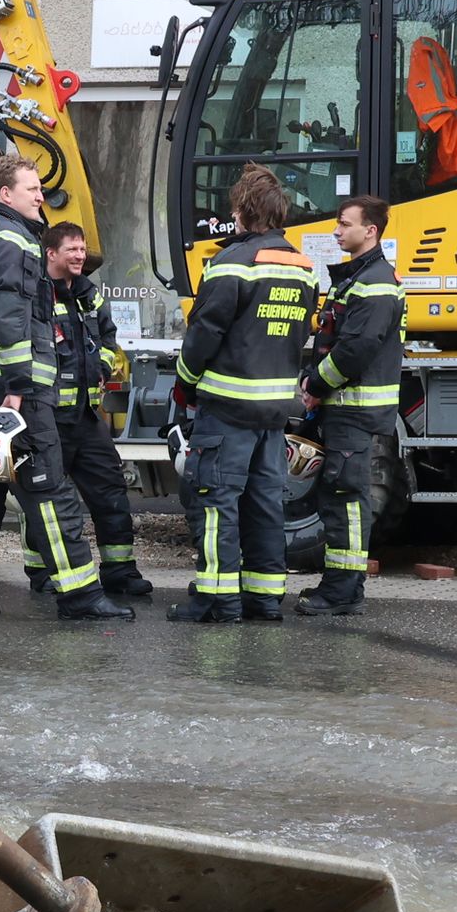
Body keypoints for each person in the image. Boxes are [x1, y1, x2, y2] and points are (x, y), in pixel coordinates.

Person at [0, 155, 127, 621]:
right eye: (32, 189)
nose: (41, 196)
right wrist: (18, 385)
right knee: (49, 488)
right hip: (12, 391)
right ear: (5, 193)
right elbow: (10, 316)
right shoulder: (15, 239)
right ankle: (80, 594)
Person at [166, 165, 321, 624]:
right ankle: (264, 599)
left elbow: (202, 336)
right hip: (274, 412)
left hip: (227, 408)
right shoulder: (304, 270)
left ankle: (218, 602)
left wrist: (184, 384)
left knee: (217, 503)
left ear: (241, 211)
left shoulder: (230, 264)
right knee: (265, 505)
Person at [281, 191, 403, 616]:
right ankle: (338, 585)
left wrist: (315, 384)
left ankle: (344, 590)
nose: (336, 231)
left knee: (347, 499)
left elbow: (355, 350)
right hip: (345, 409)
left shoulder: (374, 282)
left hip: (354, 411)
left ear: (370, 231)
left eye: (344, 224)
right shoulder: (359, 277)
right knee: (337, 497)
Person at [42, 220, 152, 603]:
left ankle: (120, 571)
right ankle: (43, 572)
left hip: (87, 417)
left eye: (82, 248)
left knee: (110, 489)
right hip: (50, 418)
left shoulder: (89, 294)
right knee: (49, 499)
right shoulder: (36, 295)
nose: (80, 255)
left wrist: (102, 365)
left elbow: (108, 336)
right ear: (51, 253)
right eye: (72, 249)